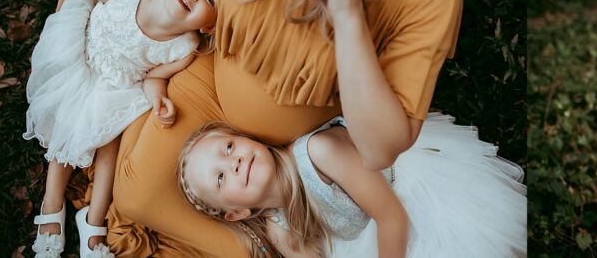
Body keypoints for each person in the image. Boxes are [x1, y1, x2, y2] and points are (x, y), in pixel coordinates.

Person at [103, 0, 467, 255]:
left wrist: (347, 15)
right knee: (136, 198)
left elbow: (378, 149)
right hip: (208, 82)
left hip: (297, 145)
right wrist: (99, 9)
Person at [24, 0, 220, 258]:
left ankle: (94, 219)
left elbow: (155, 77)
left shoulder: (184, 48)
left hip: (119, 88)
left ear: (208, 27)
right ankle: (52, 203)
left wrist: (159, 97)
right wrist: (59, 24)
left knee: (109, 144)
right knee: (70, 124)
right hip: (84, 62)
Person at [176, 114, 526, 257]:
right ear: (238, 212)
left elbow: (392, 217)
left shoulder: (318, 152)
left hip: (407, 197)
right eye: (220, 178)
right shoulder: (280, 229)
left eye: (229, 147)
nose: (233, 162)